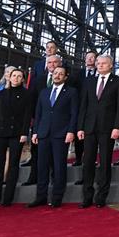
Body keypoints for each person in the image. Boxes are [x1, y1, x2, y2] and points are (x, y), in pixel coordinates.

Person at [76, 54, 119, 208]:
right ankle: (87, 196)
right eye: (98, 63)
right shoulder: (89, 81)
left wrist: (117, 127)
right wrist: (80, 127)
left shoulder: (118, 82)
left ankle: (101, 197)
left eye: (103, 63)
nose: (99, 65)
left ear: (111, 65)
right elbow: (83, 106)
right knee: (88, 162)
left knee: (105, 163)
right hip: (89, 128)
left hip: (108, 129)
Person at [29, 65, 78, 208]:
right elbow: (38, 114)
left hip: (61, 134)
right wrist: (35, 132)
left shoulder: (72, 92)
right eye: (55, 73)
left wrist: (71, 131)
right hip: (43, 134)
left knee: (58, 167)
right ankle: (41, 197)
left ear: (65, 77)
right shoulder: (44, 92)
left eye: (60, 74)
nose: (57, 75)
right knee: (42, 167)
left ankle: (57, 197)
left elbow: (74, 114)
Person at [0, 68, 33, 207]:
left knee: (13, 166)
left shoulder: (27, 94)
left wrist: (25, 133)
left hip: (17, 134)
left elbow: (27, 116)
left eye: (19, 76)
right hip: (0, 133)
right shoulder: (0, 94)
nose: (16, 78)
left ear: (23, 79)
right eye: (14, 76)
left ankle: (7, 199)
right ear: (9, 78)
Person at [73, 49, 98, 171]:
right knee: (80, 133)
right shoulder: (78, 74)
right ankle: (78, 157)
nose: (89, 59)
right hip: (80, 107)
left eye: (92, 57)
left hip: (94, 109)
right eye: (88, 57)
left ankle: (91, 158)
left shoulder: (99, 74)